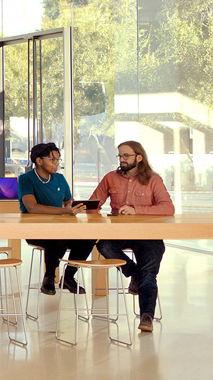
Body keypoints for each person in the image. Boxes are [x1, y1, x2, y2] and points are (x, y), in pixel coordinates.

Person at [91, 141, 174, 332]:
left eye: (126, 156)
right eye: (120, 156)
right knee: (104, 245)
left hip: (148, 235)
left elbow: (168, 208)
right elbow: (94, 204)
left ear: (139, 157)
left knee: (149, 275)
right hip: (119, 233)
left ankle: (146, 316)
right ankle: (133, 273)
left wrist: (137, 210)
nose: (122, 159)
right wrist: (88, 211)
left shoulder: (154, 179)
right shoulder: (110, 178)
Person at [19, 142, 93, 296]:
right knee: (57, 237)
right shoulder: (26, 179)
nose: (57, 163)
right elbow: (32, 207)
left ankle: (69, 276)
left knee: (89, 238)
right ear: (39, 161)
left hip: (60, 228)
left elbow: (68, 201)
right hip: (35, 230)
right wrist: (63, 211)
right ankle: (49, 277)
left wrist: (74, 207)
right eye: (52, 160)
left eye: (58, 160)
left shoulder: (60, 179)